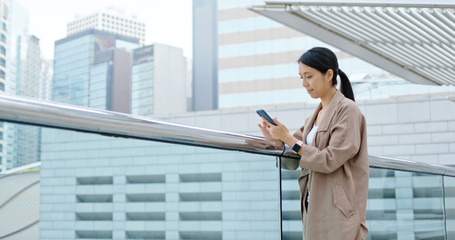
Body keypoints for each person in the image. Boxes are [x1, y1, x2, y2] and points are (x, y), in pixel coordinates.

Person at [258, 47, 369, 240]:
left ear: (328, 75)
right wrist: (277, 141)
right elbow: (293, 160)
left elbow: (330, 160)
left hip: (338, 212)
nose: (304, 83)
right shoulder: (313, 118)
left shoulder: (348, 111)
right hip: (313, 206)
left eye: (308, 76)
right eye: (301, 77)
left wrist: (289, 138)